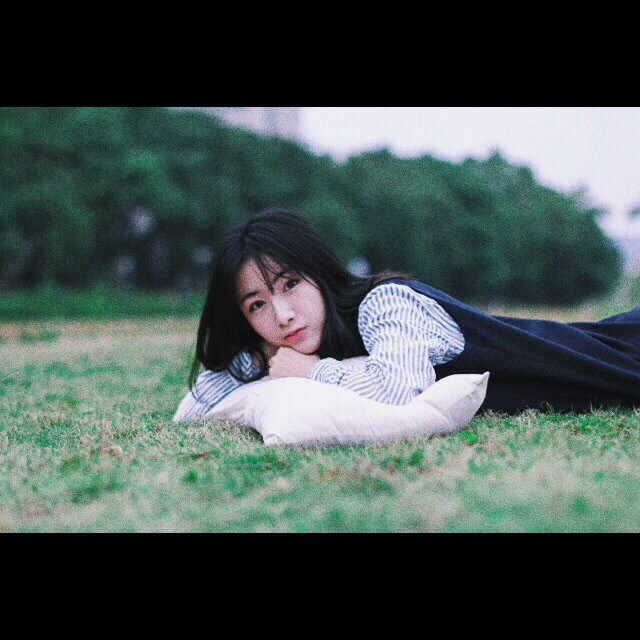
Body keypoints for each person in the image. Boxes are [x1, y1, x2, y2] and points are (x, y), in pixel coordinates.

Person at [174, 209, 640, 422]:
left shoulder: (386, 303)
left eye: (290, 283)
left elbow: (396, 390)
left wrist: (312, 372)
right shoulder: (285, 344)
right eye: (256, 304)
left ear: (319, 273)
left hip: (622, 356)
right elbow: (193, 408)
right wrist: (258, 358)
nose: (281, 314)